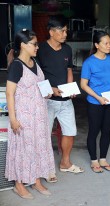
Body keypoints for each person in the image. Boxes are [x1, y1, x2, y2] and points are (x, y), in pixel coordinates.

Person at [5, 29, 55, 199]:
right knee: (22, 150)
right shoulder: (16, 66)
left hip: (39, 115)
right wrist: (13, 118)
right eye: (34, 44)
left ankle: (36, 180)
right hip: (24, 117)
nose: (37, 47)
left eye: (37, 44)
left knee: (38, 148)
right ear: (23, 45)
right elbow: (10, 93)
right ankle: (19, 184)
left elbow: (39, 85)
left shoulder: (35, 63)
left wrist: (49, 91)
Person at [37, 15, 84, 180]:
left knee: (70, 132)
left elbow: (69, 70)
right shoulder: (40, 49)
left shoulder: (67, 49)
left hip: (65, 101)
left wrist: (70, 88)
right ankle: (46, 168)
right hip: (47, 100)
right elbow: (36, 75)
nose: (65, 34)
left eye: (66, 31)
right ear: (51, 32)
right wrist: (51, 89)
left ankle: (65, 163)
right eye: (62, 31)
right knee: (43, 135)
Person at [80, 31, 110, 173]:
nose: (109, 45)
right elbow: (83, 84)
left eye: (109, 43)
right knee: (94, 131)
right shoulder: (89, 62)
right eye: (105, 43)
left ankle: (103, 158)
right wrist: (98, 97)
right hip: (95, 103)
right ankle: (93, 160)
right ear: (97, 45)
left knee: (106, 131)